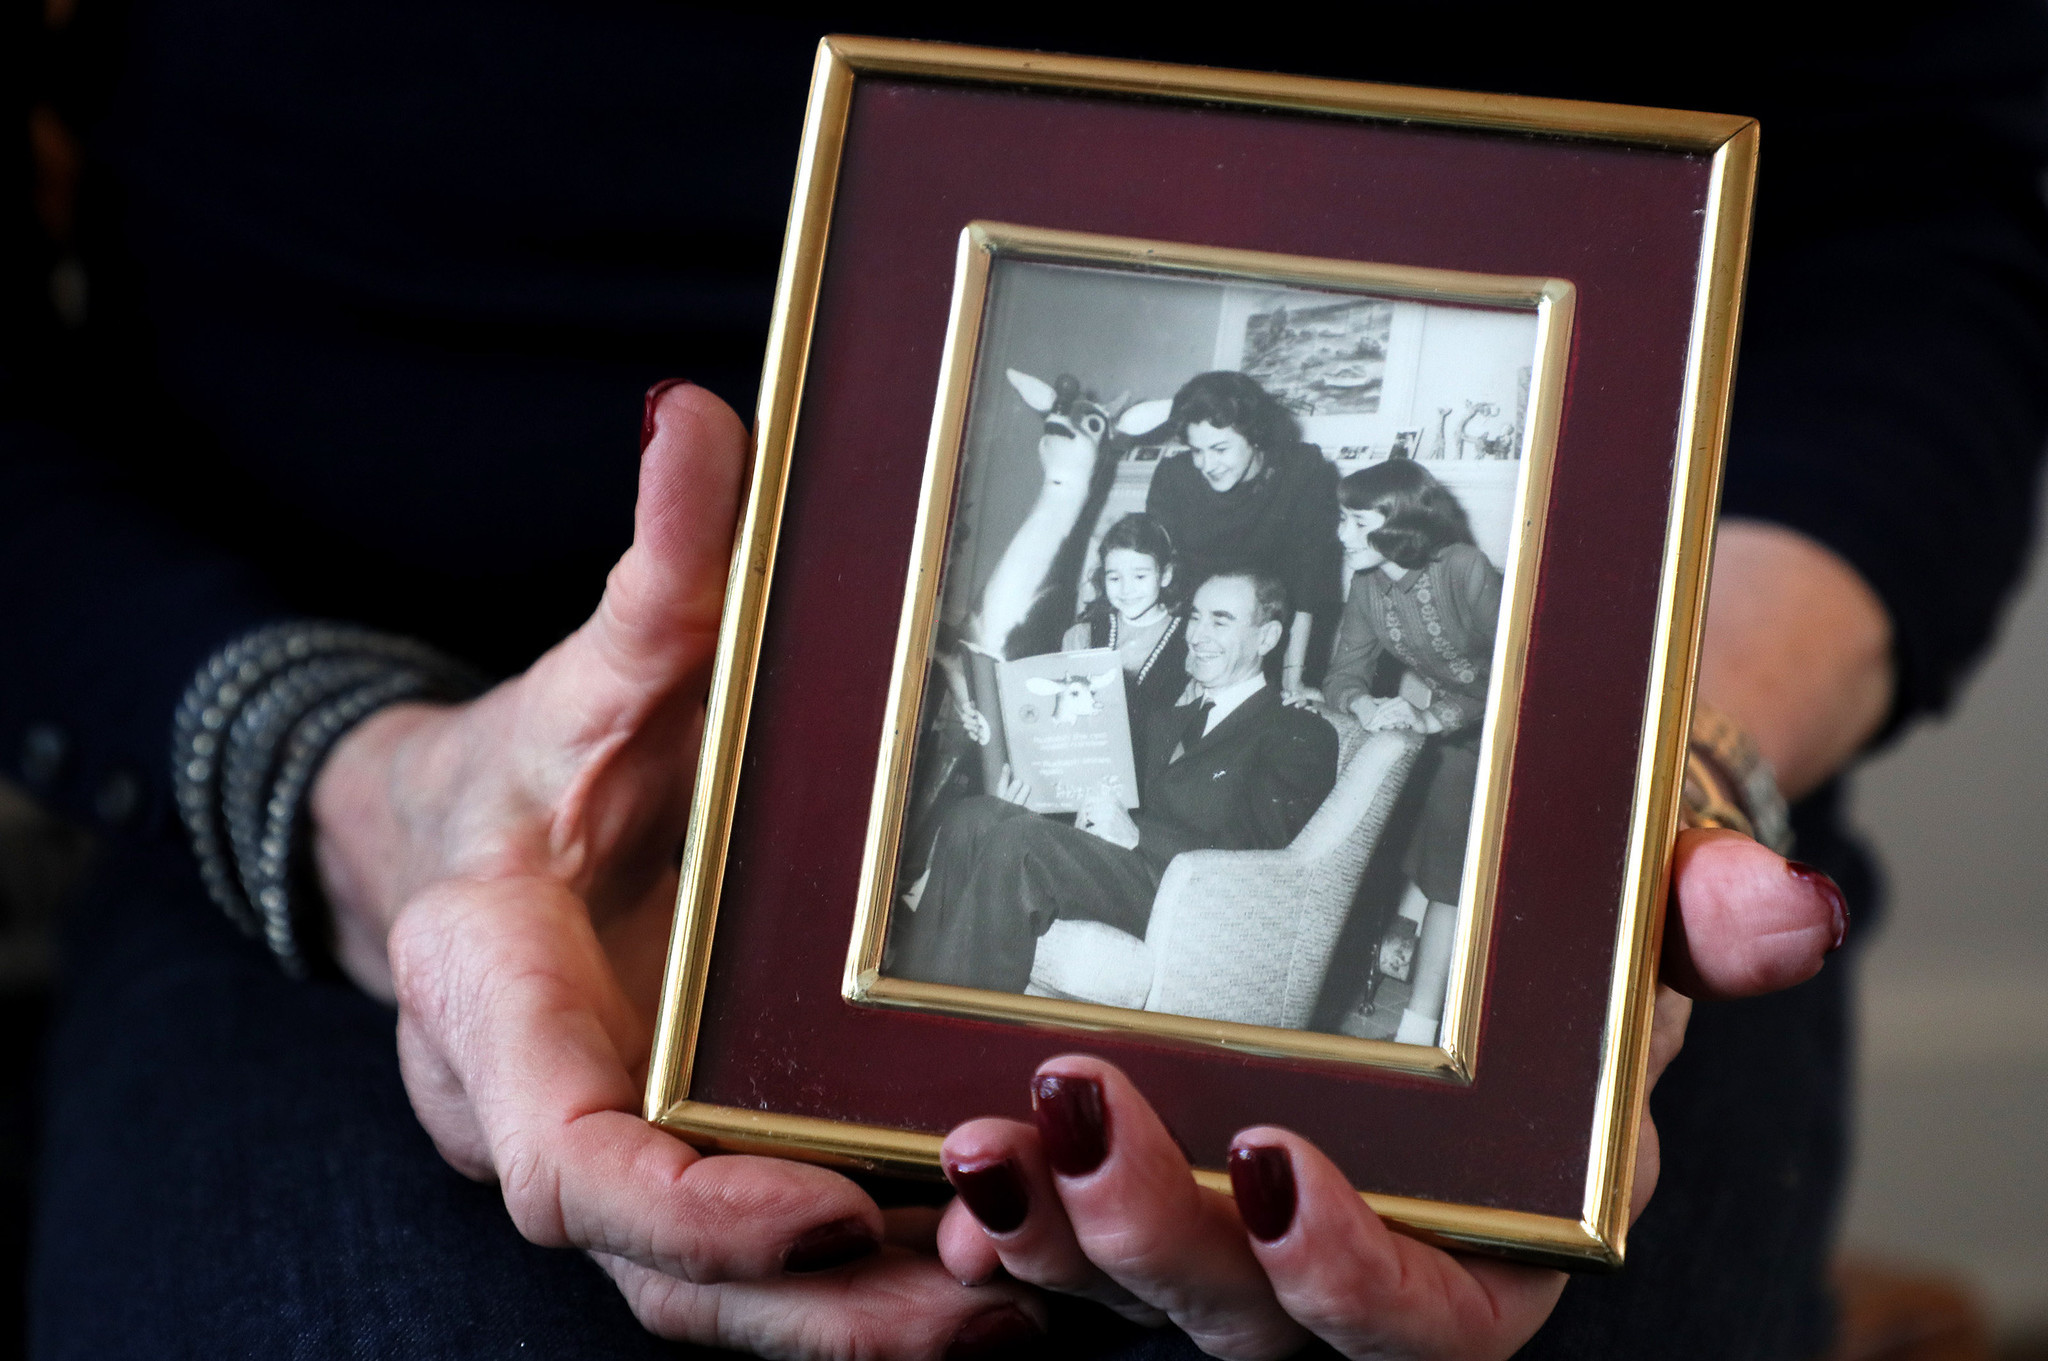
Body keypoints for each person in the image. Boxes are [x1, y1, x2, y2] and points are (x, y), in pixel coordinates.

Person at [9, 4, 2047, 1358]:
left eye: (1227, 554)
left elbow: (1925, 226)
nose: (1209, 584)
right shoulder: (1132, 585)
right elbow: (1027, 678)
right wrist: (357, 781)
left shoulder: (1304, 663)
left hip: (1569, 776)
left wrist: (1644, 769)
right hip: (390, 707)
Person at [890, 571, 1337, 992]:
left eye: (1221, 621)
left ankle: (954, 1031)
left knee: (1020, 845)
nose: (1197, 635)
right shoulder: (1166, 721)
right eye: (1195, 617)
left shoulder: (1297, 732)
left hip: (1187, 895)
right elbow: (1100, 796)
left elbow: (1260, 851)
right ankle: (913, 1001)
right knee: (978, 815)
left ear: (1268, 637)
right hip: (1121, 870)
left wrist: (1138, 835)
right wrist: (1027, 792)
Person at [1317, 459, 1505, 1046]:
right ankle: (1416, 1015)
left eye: (1355, 521)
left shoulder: (1465, 569)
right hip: (1445, 732)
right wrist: (1368, 707)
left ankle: (1420, 1027)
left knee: (1447, 857)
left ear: (1397, 522)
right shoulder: (1367, 585)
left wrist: (1434, 715)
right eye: (1341, 519)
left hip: (1520, 725)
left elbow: (1525, 666)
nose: (1342, 535)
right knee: (1419, 837)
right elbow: (1341, 677)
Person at [1142, 372, 1342, 701]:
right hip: (1188, 627)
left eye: (1220, 449)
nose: (1207, 464)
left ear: (1255, 436)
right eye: (1196, 451)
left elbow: (1306, 589)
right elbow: (1156, 576)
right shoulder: (1175, 477)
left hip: (1270, 636)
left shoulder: (1302, 471)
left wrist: (1294, 679)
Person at [1059, 513, 1189, 729]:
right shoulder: (1083, 636)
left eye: (1140, 576)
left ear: (1165, 575)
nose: (1126, 590)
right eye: (1115, 578)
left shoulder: (1188, 638)